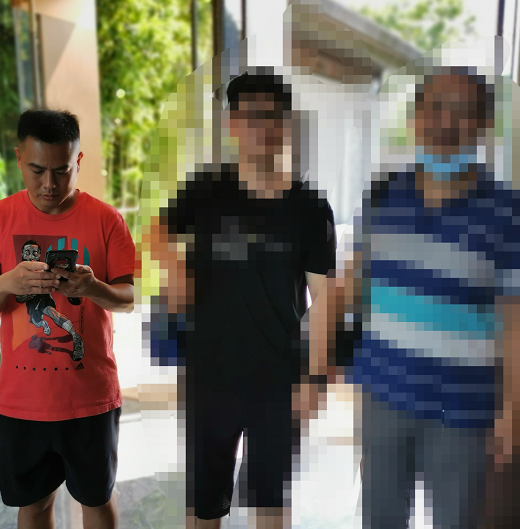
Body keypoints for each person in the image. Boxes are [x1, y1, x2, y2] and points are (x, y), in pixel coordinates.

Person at [302, 67, 520, 528]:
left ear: (482, 124)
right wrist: (315, 372)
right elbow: (347, 289)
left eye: (462, 110)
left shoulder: (511, 214)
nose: (446, 122)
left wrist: (513, 411)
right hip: (383, 396)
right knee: (381, 517)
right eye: (434, 108)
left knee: (456, 519)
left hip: (464, 407)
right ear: (415, 118)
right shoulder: (382, 199)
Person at [142, 70, 337, 528]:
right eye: (249, 116)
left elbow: (325, 300)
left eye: (272, 116)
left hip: (280, 381)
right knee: (204, 504)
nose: (261, 128)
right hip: (209, 377)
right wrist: (176, 270)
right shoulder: (205, 189)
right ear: (232, 124)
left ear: (286, 124)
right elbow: (155, 233)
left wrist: (316, 380)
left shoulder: (310, 207)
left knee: (269, 507)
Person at [0, 109, 135, 529]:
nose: (49, 184)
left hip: (91, 396)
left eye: (61, 171)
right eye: (37, 170)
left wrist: (92, 287)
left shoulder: (107, 219)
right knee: (35, 505)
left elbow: (127, 299)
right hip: (22, 399)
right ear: (19, 158)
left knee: (96, 500)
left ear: (78, 161)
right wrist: (8, 282)